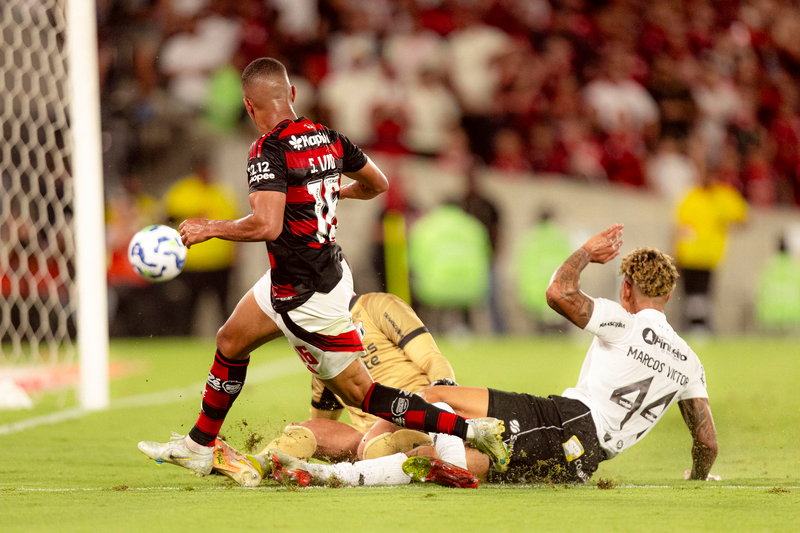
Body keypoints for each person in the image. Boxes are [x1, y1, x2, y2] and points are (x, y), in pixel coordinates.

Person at [137, 58, 509, 485]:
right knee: (230, 341)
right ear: (292, 94)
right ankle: (199, 445)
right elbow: (378, 184)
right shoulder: (329, 138)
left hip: (308, 296)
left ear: (248, 105)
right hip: (300, 275)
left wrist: (211, 228)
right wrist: (335, 192)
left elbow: (267, 225)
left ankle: (470, 430)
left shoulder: (266, 149)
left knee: (363, 394)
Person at [216, 225, 720, 487]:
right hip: (584, 460)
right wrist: (698, 476)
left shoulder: (623, 322)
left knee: (438, 399)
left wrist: (586, 251)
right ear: (669, 296)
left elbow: (559, 293)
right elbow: (706, 440)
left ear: (627, 289)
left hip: (567, 420)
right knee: (450, 461)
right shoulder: (689, 361)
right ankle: (317, 473)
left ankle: (348, 466)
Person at [263, 291, 462, 465]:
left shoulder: (377, 305)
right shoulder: (321, 344)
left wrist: (444, 404)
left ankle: (421, 451)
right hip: (365, 441)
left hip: (415, 415)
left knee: (379, 444)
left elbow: (431, 358)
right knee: (300, 433)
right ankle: (258, 464)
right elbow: (322, 425)